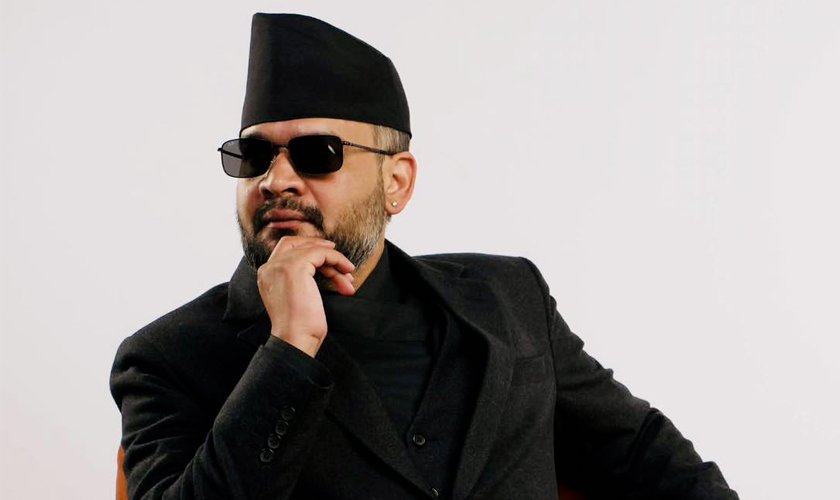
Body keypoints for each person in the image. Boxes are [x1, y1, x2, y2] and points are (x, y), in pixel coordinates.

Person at [110, 13, 739, 500]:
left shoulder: (509, 296)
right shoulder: (169, 358)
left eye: (317, 154)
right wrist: (289, 350)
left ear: (397, 182)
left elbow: (642, 457)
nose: (276, 180)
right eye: (253, 157)